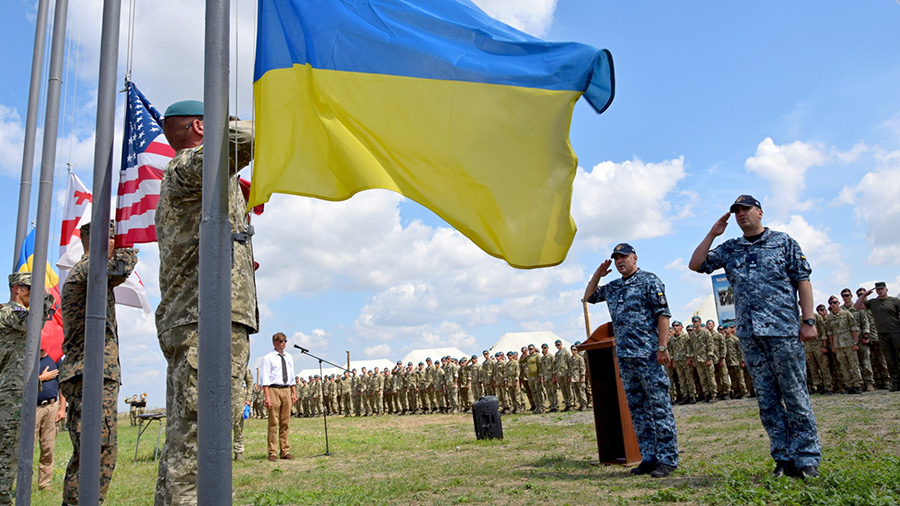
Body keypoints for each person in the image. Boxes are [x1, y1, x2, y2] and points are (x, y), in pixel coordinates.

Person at [154, 100, 259, 505]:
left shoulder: (204, 179)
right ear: (201, 126)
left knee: (193, 438)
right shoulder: (188, 168)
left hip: (206, 319)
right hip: (205, 323)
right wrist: (229, 122)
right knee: (202, 443)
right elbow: (248, 137)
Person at [690, 194, 821, 479]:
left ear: (760, 212)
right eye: (736, 211)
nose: (740, 215)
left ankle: (807, 458)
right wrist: (713, 233)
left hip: (783, 331)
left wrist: (808, 319)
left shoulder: (783, 242)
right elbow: (696, 264)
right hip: (750, 335)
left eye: (745, 209)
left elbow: (803, 280)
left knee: (796, 396)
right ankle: (784, 458)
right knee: (768, 400)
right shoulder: (731, 248)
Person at [59, 221, 138, 505]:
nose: (118, 244)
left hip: (93, 372)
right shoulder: (87, 269)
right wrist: (130, 243)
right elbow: (121, 267)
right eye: (115, 238)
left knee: (97, 451)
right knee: (96, 451)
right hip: (89, 372)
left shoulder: (88, 272)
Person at [585, 243, 678, 478]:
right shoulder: (614, 287)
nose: (619, 262)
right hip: (625, 358)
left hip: (648, 355)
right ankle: (648, 457)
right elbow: (589, 297)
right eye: (616, 258)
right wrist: (597, 275)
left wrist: (662, 347)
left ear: (635, 258)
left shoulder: (649, 281)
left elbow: (663, 315)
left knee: (659, 407)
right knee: (638, 410)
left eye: (623, 257)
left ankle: (667, 459)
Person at [0, 272, 40, 506]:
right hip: (10, 396)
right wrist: (48, 297)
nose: (34, 295)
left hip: (13, 394)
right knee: (8, 455)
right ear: (17, 289)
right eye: (30, 289)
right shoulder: (10, 313)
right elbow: (37, 319)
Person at [855, 282, 900, 391]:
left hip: (896, 332)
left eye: (882, 289)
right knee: (889, 359)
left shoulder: (894, 301)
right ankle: (896, 383)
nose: (880, 291)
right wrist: (864, 295)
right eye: (878, 289)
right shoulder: (873, 302)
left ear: (886, 289)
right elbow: (857, 306)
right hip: (882, 334)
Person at [261, 332, 297, 461]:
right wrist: (267, 396)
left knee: (285, 422)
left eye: (285, 341)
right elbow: (265, 378)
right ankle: (272, 452)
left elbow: (292, 376)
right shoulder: (268, 358)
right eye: (282, 341)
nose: (284, 343)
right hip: (274, 389)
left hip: (286, 389)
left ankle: (285, 450)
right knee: (273, 422)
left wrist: (294, 392)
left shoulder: (289, 357)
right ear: (275, 343)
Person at [35, 348, 66, 490]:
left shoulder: (56, 360)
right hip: (32, 408)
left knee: (48, 446)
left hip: (52, 406)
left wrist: (62, 408)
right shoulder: (29, 359)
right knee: (28, 447)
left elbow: (62, 386)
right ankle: (24, 483)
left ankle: (45, 483)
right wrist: (42, 378)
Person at [825, 296, 862, 394]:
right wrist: (832, 346)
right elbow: (830, 333)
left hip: (849, 343)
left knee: (854, 364)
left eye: (835, 302)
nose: (833, 304)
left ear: (838, 303)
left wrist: (855, 343)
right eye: (831, 303)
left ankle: (857, 385)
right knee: (843, 366)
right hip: (838, 345)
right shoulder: (829, 318)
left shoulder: (846, 314)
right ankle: (849, 386)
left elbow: (854, 328)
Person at [233, 367, 253, 461]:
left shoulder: (241, 361)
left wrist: (248, 398)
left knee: (238, 424)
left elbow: (250, 380)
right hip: (221, 394)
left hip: (238, 396)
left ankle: (238, 451)